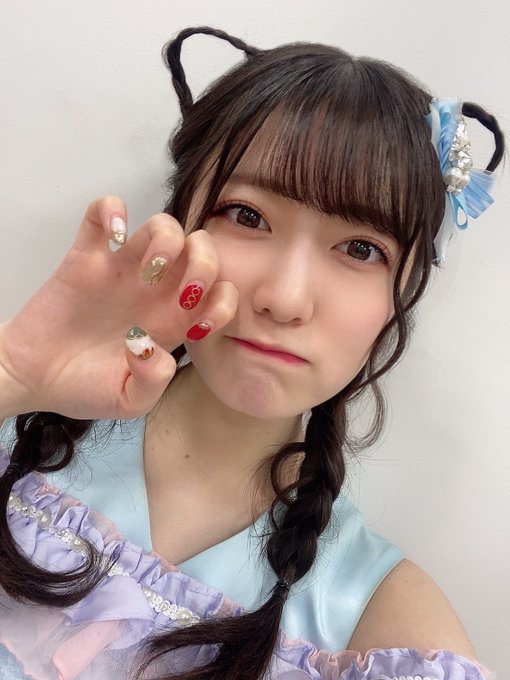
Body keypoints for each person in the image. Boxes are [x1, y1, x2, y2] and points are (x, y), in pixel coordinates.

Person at [0, 26, 504, 680]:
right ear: (182, 219)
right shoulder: (17, 426)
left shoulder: (383, 629)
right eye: (247, 216)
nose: (285, 299)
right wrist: (10, 378)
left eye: (361, 249)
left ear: (401, 295)